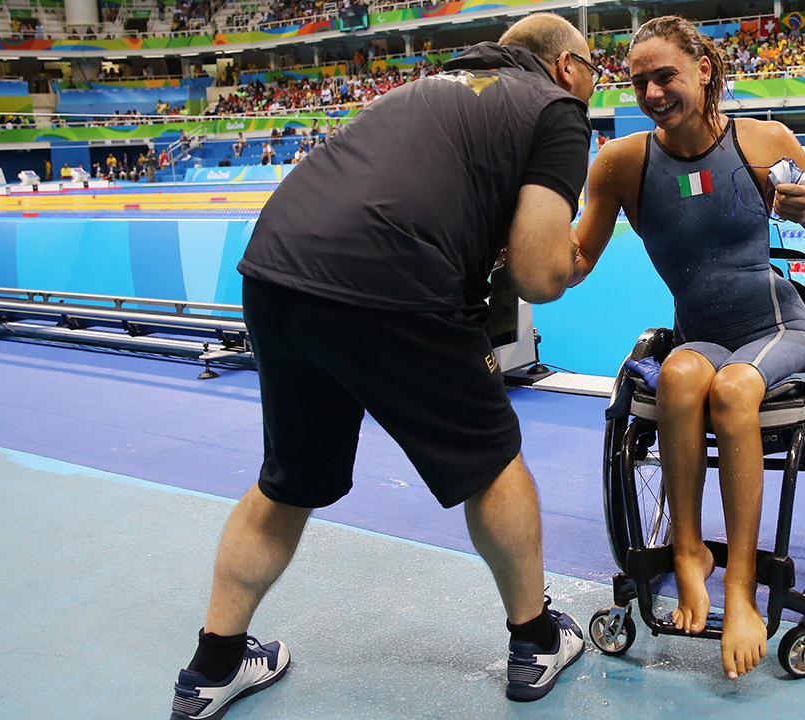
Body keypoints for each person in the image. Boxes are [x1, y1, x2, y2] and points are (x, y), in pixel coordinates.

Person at [169, 13, 598, 718]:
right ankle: (536, 637)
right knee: (490, 461)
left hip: (276, 271)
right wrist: (574, 259)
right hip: (391, 279)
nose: (592, 86)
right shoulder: (556, 109)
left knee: (288, 480)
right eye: (592, 71)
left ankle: (213, 665)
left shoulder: (427, 87)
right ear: (564, 66)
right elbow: (536, 272)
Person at [570, 15, 805, 681]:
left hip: (777, 325)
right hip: (700, 328)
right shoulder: (621, 163)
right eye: (639, 82)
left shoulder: (764, 142)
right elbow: (577, 256)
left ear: (704, 69)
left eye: (664, 75)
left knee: (732, 389)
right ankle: (690, 551)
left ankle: (741, 588)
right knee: (676, 377)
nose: (652, 92)